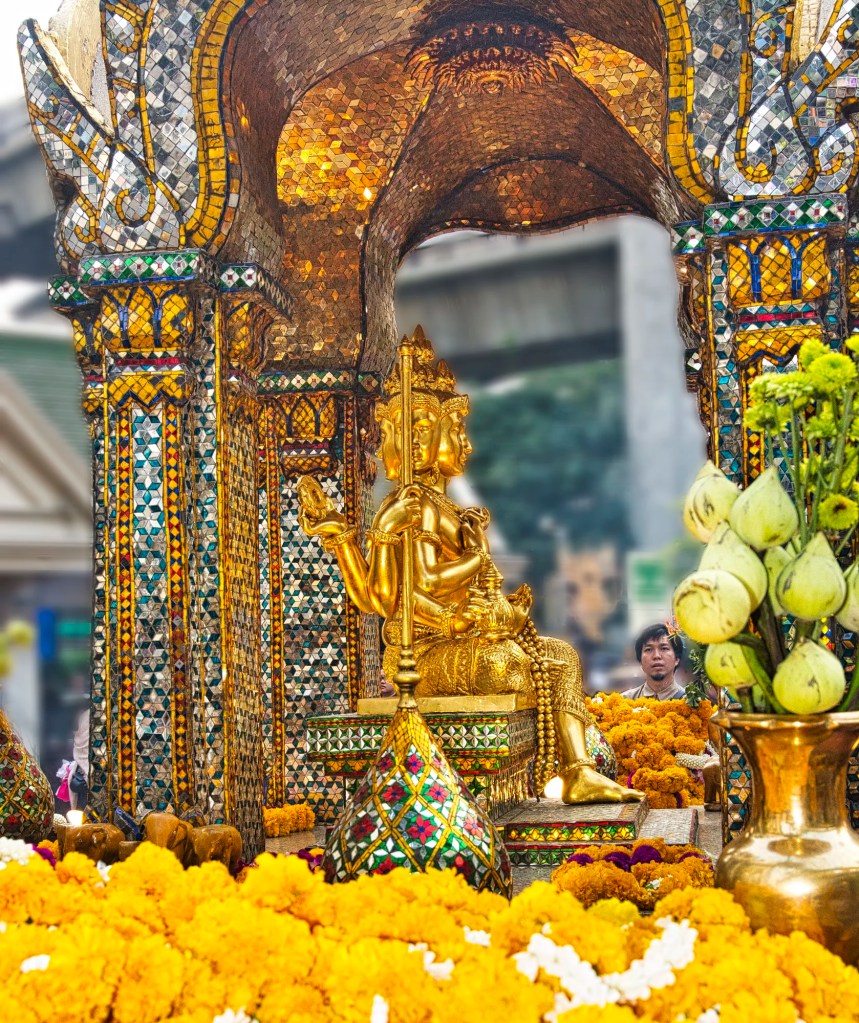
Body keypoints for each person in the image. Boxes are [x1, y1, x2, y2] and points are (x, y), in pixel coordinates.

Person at [298, 328, 641, 804]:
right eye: (406, 430)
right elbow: (396, 596)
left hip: (466, 636)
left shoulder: (446, 508)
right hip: (430, 653)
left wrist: (505, 613)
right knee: (508, 668)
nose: (460, 442)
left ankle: (579, 770)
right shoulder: (410, 506)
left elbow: (475, 587)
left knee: (560, 654)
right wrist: (362, 543)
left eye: (436, 428)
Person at [622, 623, 687, 701]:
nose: (656, 656)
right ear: (640, 661)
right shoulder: (626, 701)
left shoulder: (691, 704)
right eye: (648, 649)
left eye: (664, 648)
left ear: (676, 659)